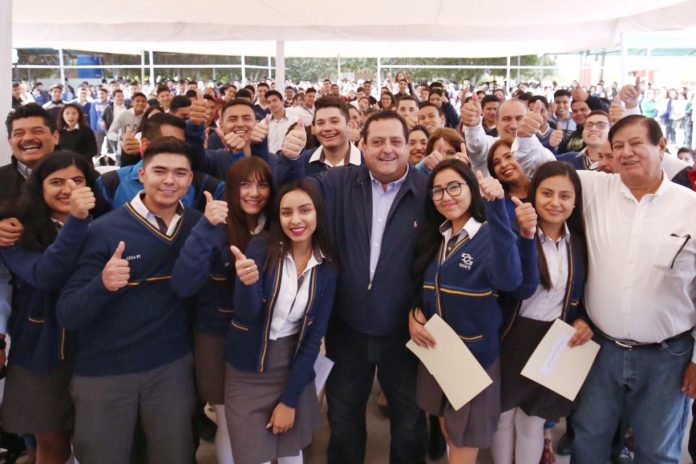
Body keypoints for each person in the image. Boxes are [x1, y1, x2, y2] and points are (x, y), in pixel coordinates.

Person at [277, 110, 429, 463]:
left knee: (409, 421)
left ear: (409, 146)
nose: (387, 149)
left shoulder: (427, 192)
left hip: (404, 331)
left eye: (395, 141)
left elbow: (441, 256)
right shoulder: (337, 182)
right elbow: (295, 194)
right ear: (363, 145)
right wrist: (289, 159)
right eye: (377, 141)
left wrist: (422, 306)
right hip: (346, 329)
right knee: (343, 417)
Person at [56, 137, 201, 464]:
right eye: (159, 171)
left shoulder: (197, 226)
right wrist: (103, 284)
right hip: (106, 371)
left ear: (190, 179)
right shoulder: (103, 230)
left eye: (180, 173)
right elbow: (68, 313)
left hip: (171, 367)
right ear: (141, 175)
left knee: (174, 455)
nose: (169, 180)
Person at [570, 115, 696, 463]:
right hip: (601, 349)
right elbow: (539, 174)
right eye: (618, 146)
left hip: (668, 357)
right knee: (588, 438)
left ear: (662, 146)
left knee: (657, 450)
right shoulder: (595, 189)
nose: (626, 152)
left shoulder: (691, 208)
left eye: (636, 143)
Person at [409, 159, 532, 464]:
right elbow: (422, 286)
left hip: (474, 360)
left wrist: (497, 207)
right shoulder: (436, 236)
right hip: (439, 354)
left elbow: (510, 280)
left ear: (472, 189)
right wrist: (414, 313)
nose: (446, 196)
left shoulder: (489, 234)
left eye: (454, 187)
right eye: (438, 190)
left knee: (464, 439)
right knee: (448, 430)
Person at [225, 179, 338, 464]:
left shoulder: (327, 266)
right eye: (287, 212)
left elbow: (313, 339)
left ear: (318, 213)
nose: (295, 220)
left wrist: (289, 400)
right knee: (253, 456)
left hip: (292, 367)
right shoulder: (261, 247)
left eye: (305, 210)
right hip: (247, 367)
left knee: (291, 454)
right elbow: (246, 315)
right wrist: (246, 284)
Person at [172, 156, 274, 464]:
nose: (254, 192)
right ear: (230, 188)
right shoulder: (215, 226)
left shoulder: (277, 226)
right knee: (230, 420)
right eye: (244, 184)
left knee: (261, 417)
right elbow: (184, 284)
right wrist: (206, 226)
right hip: (216, 339)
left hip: (266, 338)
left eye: (262, 184)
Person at [492, 161, 593, 464]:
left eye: (565, 196)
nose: (555, 202)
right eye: (547, 193)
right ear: (534, 195)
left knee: (533, 421)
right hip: (511, 336)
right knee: (503, 417)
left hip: (553, 341)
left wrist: (584, 319)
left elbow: (586, 293)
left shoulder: (580, 243)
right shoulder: (514, 235)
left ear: (575, 202)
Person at [0, 151, 96, 464]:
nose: (69, 189)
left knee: (92, 442)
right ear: (39, 187)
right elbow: (46, 275)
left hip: (95, 348)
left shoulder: (104, 224)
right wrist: (77, 221)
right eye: (57, 182)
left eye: (78, 180)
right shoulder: (16, 231)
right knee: (51, 445)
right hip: (40, 351)